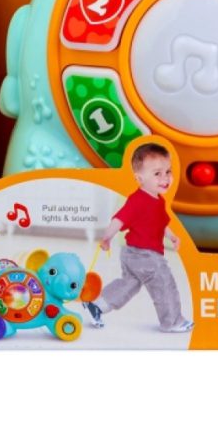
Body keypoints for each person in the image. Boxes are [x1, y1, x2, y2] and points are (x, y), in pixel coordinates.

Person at [83, 142, 193, 333]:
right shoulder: (138, 200)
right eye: (157, 173)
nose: (165, 178)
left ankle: (97, 305)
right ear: (139, 178)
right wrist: (107, 237)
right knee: (164, 283)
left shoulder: (157, 200)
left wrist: (172, 236)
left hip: (133, 254)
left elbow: (160, 223)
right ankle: (172, 321)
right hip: (145, 255)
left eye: (168, 171)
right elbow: (119, 219)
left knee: (129, 284)